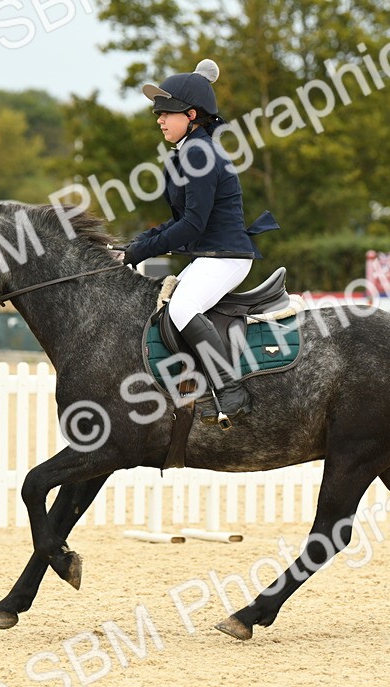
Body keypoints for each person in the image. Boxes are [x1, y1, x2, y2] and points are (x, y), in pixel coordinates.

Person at [121, 58, 278, 426]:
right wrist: (130, 247)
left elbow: (191, 226)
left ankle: (230, 391)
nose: (159, 119)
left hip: (226, 258)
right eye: (157, 112)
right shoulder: (188, 151)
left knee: (181, 307)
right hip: (212, 256)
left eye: (166, 113)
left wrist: (138, 252)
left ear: (191, 114)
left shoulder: (199, 153)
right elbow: (177, 222)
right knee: (168, 307)